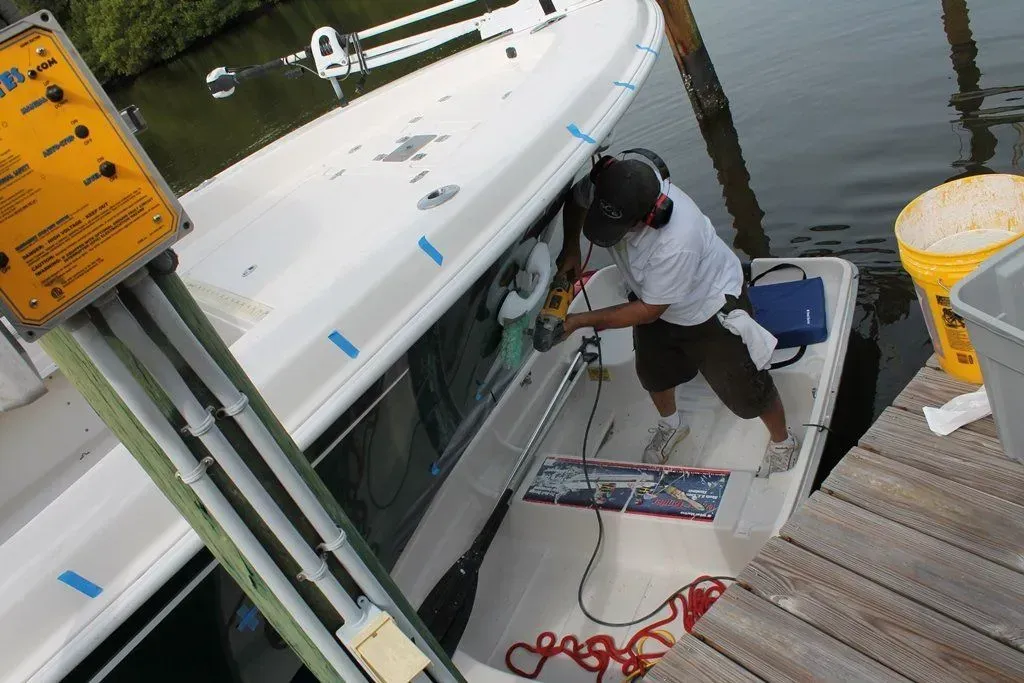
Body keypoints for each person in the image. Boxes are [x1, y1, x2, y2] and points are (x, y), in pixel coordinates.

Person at [556, 150, 798, 471]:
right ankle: (672, 425)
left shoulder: (677, 241)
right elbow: (576, 201)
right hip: (651, 297)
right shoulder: (612, 183)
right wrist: (571, 247)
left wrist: (577, 321)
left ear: (650, 216)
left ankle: (783, 441)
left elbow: (649, 311)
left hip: (705, 307)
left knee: (746, 389)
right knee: (653, 374)